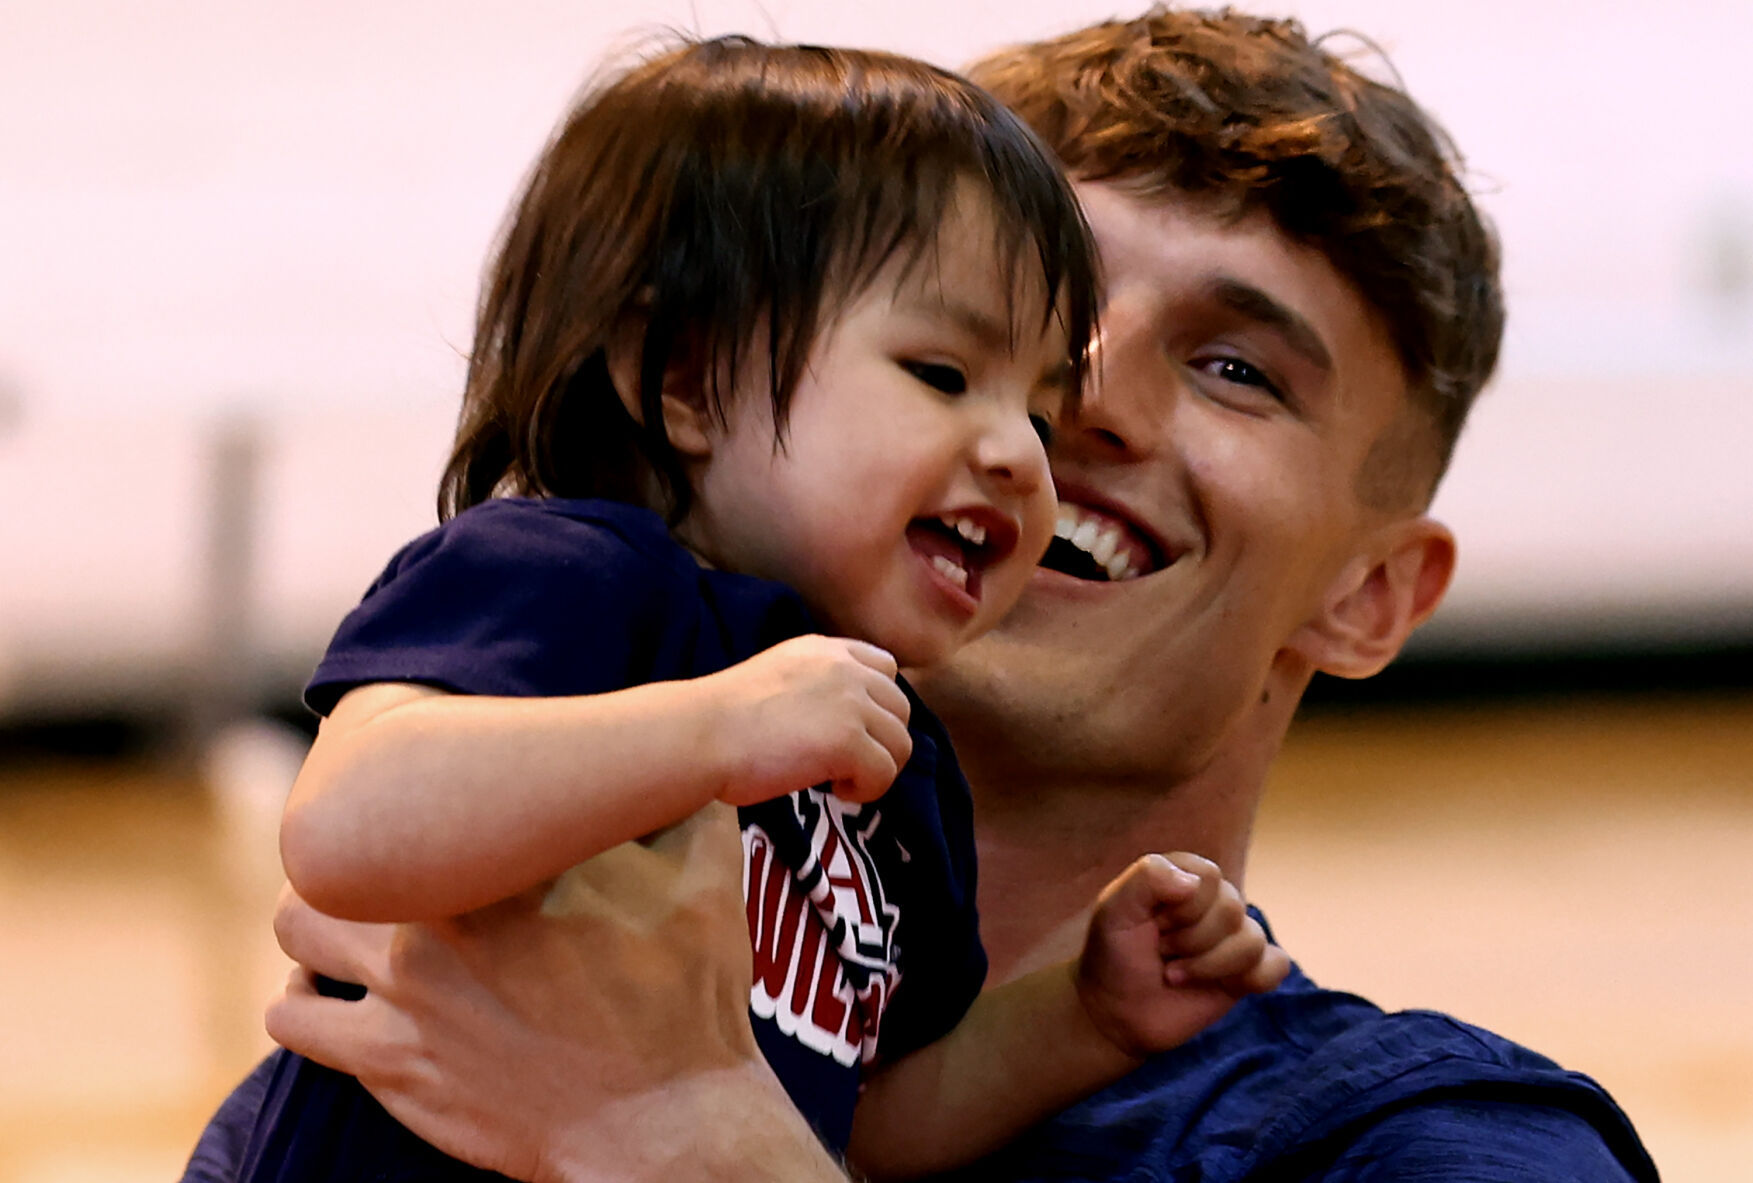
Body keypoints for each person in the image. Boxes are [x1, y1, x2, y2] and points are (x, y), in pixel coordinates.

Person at [217, 8, 1662, 1181]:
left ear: (1367, 596)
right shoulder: (479, 956)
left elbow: (859, 1112)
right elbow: (345, 814)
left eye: (1236, 367)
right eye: (961, 353)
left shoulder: (1430, 1149)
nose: (1068, 411)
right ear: (690, 381)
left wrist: (675, 1134)